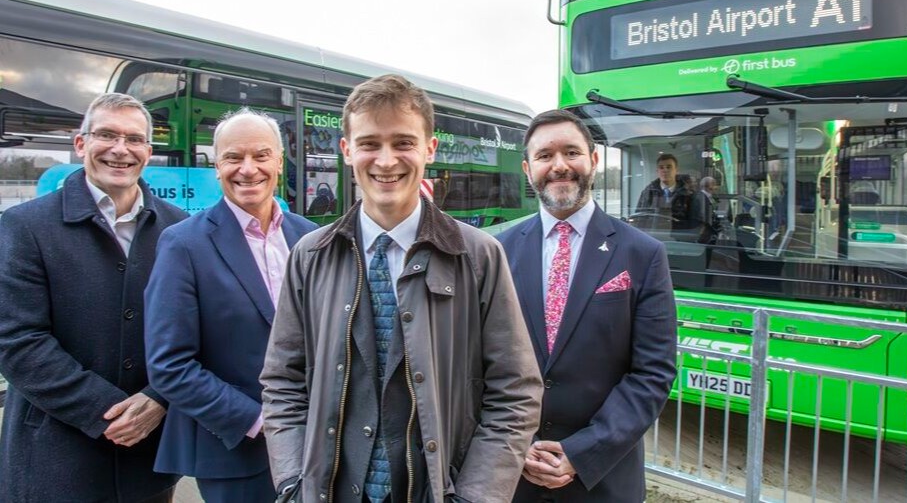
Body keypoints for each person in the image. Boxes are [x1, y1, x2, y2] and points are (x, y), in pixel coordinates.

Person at [260, 74, 543, 503]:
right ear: (347, 150)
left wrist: (477, 496)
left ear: (430, 148)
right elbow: (283, 381)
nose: (387, 160)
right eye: (370, 143)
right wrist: (294, 483)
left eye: (404, 143)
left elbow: (516, 391)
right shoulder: (309, 256)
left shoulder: (479, 256)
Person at [0, 93, 187, 502]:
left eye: (134, 139)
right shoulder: (24, 227)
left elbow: (197, 331)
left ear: (148, 152)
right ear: (80, 143)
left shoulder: (180, 229)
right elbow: (18, 342)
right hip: (55, 460)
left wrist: (158, 400)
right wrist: (106, 412)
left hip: (148, 461)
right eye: (107, 134)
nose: (121, 149)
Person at [497, 109, 677, 503]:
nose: (559, 166)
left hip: (602, 480)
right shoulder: (497, 252)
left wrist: (582, 453)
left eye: (571, 152)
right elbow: (478, 365)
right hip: (511, 476)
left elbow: (652, 373)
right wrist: (515, 444)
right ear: (528, 169)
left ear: (593, 161)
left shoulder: (643, 254)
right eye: (545, 156)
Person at [144, 108, 317, 502]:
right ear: (216, 166)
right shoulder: (183, 244)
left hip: (315, 443)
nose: (248, 169)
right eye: (233, 158)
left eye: (260, 155)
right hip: (238, 453)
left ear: (279, 161)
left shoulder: (309, 237)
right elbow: (169, 365)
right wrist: (261, 421)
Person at [635, 153, 694, 233]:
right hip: (654, 238)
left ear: (676, 170)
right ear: (657, 171)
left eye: (669, 167)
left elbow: (694, 224)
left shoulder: (689, 194)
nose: (665, 170)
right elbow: (640, 220)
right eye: (661, 168)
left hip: (680, 240)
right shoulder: (648, 193)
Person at [692, 176, 722, 244]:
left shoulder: (707, 197)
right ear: (710, 186)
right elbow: (704, 217)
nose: (716, 187)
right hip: (703, 233)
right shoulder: (701, 198)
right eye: (714, 184)